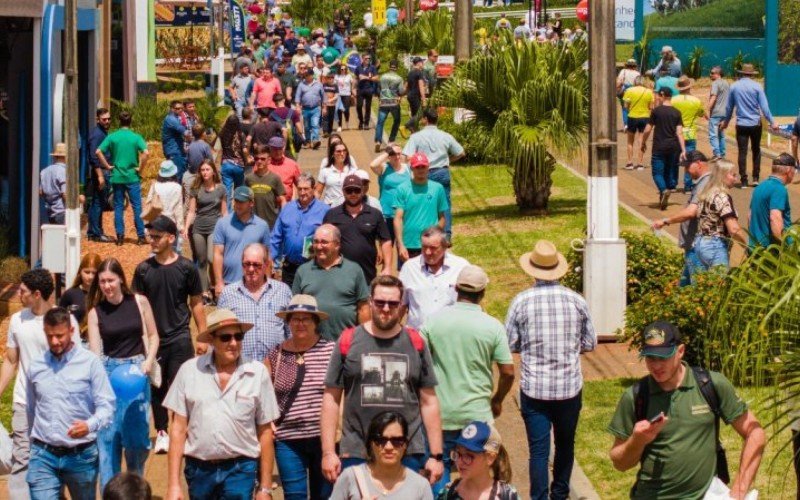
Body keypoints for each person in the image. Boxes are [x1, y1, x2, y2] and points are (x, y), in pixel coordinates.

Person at [608, 321, 765, 499]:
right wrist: (637, 440)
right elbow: (620, 464)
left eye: (664, 357)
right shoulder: (636, 396)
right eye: (651, 358)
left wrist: (738, 492)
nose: (656, 366)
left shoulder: (710, 385)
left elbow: (755, 434)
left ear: (680, 351)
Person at [321, 276, 444, 485]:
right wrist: (328, 452)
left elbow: (429, 401)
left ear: (401, 306)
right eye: (380, 302)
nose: (386, 309)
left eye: (393, 303)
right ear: (370, 302)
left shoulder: (416, 342)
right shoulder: (348, 340)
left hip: (407, 451)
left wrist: (436, 455)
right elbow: (331, 399)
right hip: (358, 450)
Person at [505, 240, 597, 500]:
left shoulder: (521, 301)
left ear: (532, 270)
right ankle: (560, 493)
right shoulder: (577, 301)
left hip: (535, 389)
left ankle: (539, 496)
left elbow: (510, 341)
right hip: (568, 388)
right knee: (566, 445)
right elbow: (590, 342)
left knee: (538, 451)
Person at [163, 308, 280, 500]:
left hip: (240, 469)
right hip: (199, 470)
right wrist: (174, 485)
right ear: (211, 339)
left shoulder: (257, 373)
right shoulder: (189, 371)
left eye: (238, 336)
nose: (233, 343)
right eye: (225, 338)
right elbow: (178, 429)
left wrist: (265, 488)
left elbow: (265, 432)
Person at [422, 265, 515, 493]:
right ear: (483, 292)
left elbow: (417, 358)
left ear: (456, 289)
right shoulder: (492, 326)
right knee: (479, 476)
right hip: (477, 415)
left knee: (437, 470)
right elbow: (508, 371)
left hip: (440, 413)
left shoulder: (433, 321)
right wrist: (498, 399)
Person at [0, 269, 80, 500]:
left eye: (23, 291)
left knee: (56, 457)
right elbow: (11, 360)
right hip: (23, 401)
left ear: (37, 294)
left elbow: (75, 362)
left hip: (56, 405)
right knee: (22, 458)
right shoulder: (17, 320)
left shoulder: (64, 320)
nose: (19, 294)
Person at [132, 216, 206, 455]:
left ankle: (181, 430)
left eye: (157, 236)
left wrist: (203, 335)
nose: (152, 240)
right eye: (150, 236)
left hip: (180, 337)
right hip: (153, 341)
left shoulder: (187, 268)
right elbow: (138, 307)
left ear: (171, 238)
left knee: (183, 386)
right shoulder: (143, 270)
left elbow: (196, 303)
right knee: (157, 387)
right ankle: (162, 432)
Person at [26, 307, 116, 500]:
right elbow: (31, 409)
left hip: (81, 456)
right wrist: (32, 446)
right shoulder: (36, 366)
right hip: (43, 455)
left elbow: (107, 406)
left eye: (60, 335)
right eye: (49, 336)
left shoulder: (90, 363)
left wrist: (89, 425)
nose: (54, 341)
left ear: (71, 331)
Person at [87, 258, 159, 489]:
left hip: (137, 372)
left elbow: (153, 335)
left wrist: (148, 361)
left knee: (137, 441)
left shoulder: (139, 302)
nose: (107, 286)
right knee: (108, 441)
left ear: (120, 279)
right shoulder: (96, 313)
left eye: (110, 280)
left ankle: (135, 489)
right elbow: (95, 355)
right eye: (102, 282)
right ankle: (111, 492)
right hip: (109, 372)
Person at [267, 295, 336, 500]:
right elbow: (263, 393)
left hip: (323, 438)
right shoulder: (276, 354)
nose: (300, 323)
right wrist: (268, 421)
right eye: (295, 319)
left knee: (323, 496)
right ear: (288, 322)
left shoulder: (331, 351)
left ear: (315, 322)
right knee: (294, 495)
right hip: (287, 439)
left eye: (306, 318)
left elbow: (342, 392)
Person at [330, 412, 434, 500]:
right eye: (381, 441)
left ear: (405, 444)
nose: (389, 447)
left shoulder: (420, 486)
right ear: (371, 443)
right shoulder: (350, 477)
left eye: (397, 441)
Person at [292, 224, 370, 340]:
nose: (318, 246)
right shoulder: (303, 271)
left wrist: (365, 339)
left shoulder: (354, 270)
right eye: (316, 242)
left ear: (337, 245)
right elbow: (295, 309)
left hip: (346, 343)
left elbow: (363, 308)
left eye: (324, 242)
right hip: (312, 346)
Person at [218, 243, 292, 360]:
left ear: (266, 264)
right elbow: (219, 334)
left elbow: (290, 332)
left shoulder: (283, 291)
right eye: (246, 264)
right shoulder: (228, 294)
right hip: (240, 367)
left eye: (256, 265)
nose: (251, 269)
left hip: (276, 367)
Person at [401, 109, 465, 239]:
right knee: (444, 204)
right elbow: (461, 152)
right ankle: (446, 235)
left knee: (424, 202)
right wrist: (448, 160)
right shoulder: (446, 135)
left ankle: (425, 231)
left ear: (425, 119)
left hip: (424, 173)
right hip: (442, 172)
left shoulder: (416, 137)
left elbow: (407, 156)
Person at [651, 151, 712, 286]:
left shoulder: (705, 183)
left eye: (687, 166)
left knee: (696, 288)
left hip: (696, 246)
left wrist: (665, 221)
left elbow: (691, 212)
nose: (686, 171)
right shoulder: (703, 182)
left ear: (698, 164)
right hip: (693, 245)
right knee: (684, 287)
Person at [323, 174, 392, 284]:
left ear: (362, 190)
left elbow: (386, 240)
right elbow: (322, 241)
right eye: (349, 190)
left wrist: (387, 267)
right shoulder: (332, 214)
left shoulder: (375, 214)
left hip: (367, 275)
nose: (353, 194)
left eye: (356, 190)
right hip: (338, 276)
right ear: (343, 191)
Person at [96, 110, 150, 246]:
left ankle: (120, 236)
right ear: (130, 121)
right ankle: (141, 236)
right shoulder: (136, 137)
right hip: (132, 176)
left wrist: (107, 166)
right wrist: (140, 168)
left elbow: (98, 151)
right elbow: (146, 153)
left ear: (119, 121)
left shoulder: (113, 137)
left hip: (117, 176)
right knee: (137, 206)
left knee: (118, 206)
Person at [721, 63, 778, 188]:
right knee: (756, 150)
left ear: (741, 73)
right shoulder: (757, 87)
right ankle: (756, 177)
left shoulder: (734, 87)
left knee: (742, 152)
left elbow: (729, 107)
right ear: (752, 74)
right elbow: (764, 107)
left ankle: (744, 179)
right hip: (755, 123)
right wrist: (772, 122)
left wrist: (726, 122)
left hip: (741, 123)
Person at [270, 173, 330, 287]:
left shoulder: (324, 210)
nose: (302, 192)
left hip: (314, 267)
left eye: (306, 189)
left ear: (313, 189)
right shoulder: (287, 208)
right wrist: (271, 261)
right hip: (289, 268)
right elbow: (276, 237)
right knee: (290, 302)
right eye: (300, 189)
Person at [213, 186, 273, 294]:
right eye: (236, 201)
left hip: (254, 284)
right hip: (228, 283)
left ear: (251, 203)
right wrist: (219, 282)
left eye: (242, 201)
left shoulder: (262, 226)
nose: (238, 204)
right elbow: (218, 254)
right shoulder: (222, 223)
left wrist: (267, 283)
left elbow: (267, 257)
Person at [439, 421, 520, 500]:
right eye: (458, 454)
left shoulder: (507, 496)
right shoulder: (449, 493)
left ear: (490, 458)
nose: (459, 462)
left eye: (468, 456)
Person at [394, 153, 449, 263]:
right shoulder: (402, 189)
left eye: (423, 166)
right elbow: (398, 218)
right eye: (417, 167)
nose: (420, 170)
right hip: (409, 243)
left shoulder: (438, 188)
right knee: (408, 278)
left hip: (431, 245)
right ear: (411, 168)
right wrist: (400, 244)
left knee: (433, 277)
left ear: (428, 167)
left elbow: (442, 217)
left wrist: (437, 238)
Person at [184, 159, 227, 297]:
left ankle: (215, 286)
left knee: (211, 258)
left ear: (213, 171)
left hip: (215, 226)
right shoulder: (196, 188)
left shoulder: (221, 189)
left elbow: (224, 212)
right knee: (201, 260)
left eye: (207, 169)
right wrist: (186, 227)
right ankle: (204, 290)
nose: (204, 172)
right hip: (198, 227)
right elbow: (191, 211)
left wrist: (227, 228)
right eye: (202, 170)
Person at [692, 159, 746, 271]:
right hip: (715, 245)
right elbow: (733, 228)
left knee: (702, 285)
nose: (736, 179)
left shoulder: (706, 193)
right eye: (733, 175)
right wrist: (747, 246)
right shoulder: (722, 197)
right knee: (718, 284)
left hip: (700, 242)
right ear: (722, 176)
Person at [641, 88, 686, 211]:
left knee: (657, 173)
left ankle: (664, 190)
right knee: (667, 172)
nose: (657, 98)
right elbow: (679, 133)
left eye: (657, 96)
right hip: (673, 147)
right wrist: (683, 149)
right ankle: (663, 198)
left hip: (659, 146)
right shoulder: (677, 112)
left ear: (662, 95)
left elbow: (648, 129)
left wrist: (643, 142)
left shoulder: (656, 111)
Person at [748, 153, 795, 249]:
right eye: (795, 170)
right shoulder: (779, 189)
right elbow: (775, 218)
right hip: (770, 250)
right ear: (789, 170)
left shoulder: (760, 187)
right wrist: (785, 246)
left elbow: (749, 216)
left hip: (755, 247)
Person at [370, 144, 411, 243]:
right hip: (387, 213)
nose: (397, 157)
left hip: (404, 214)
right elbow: (373, 165)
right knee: (387, 244)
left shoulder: (407, 169)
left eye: (399, 154)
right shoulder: (384, 168)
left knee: (404, 244)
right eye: (393, 154)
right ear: (388, 156)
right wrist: (388, 151)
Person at [87, 108, 114, 243]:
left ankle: (93, 231)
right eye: (104, 119)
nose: (107, 121)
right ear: (98, 119)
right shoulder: (97, 134)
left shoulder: (102, 132)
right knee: (99, 202)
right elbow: (93, 157)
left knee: (96, 202)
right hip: (101, 171)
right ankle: (97, 233)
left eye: (109, 119)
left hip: (103, 171)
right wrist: (100, 176)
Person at [246, 144, 287, 229]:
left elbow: (283, 199)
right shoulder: (248, 178)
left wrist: (282, 217)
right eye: (257, 159)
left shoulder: (275, 178)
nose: (259, 161)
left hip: (271, 223)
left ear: (269, 160)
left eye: (263, 159)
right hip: (252, 223)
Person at [146, 160, 184, 245]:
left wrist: (147, 224)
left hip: (156, 221)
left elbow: (148, 204)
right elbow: (178, 209)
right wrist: (181, 227)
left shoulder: (155, 185)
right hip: (171, 221)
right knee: (172, 249)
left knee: (156, 246)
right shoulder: (177, 187)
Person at [59, 252, 102, 328]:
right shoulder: (70, 294)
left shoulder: (103, 294)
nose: (90, 277)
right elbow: (59, 319)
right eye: (87, 272)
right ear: (80, 272)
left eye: (94, 273)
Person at [218, 113, 250, 210]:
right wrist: (247, 159)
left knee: (227, 190)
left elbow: (218, 149)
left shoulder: (222, 133)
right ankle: (239, 209)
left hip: (226, 164)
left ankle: (227, 212)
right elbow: (244, 150)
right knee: (238, 189)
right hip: (238, 166)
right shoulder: (241, 134)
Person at [622, 76, 653, 171]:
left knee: (630, 141)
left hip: (632, 117)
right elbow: (651, 107)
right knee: (641, 141)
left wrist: (630, 109)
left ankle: (630, 162)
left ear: (635, 82)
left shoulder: (629, 90)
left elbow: (625, 106)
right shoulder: (649, 92)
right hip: (644, 117)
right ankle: (640, 163)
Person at [374, 60, 405, 152]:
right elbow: (400, 91)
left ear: (389, 66)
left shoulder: (383, 77)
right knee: (397, 120)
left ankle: (378, 141)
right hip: (394, 103)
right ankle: (391, 141)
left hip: (383, 102)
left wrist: (380, 97)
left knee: (380, 122)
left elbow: (378, 89)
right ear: (397, 67)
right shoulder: (399, 78)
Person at [318, 141, 359, 206]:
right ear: (332, 154)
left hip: (348, 206)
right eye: (338, 151)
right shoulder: (325, 171)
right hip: (330, 206)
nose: (342, 153)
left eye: (344, 151)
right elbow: (318, 192)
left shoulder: (353, 171)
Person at [184, 124, 215, 204]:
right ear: (203, 134)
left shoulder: (190, 146)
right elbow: (210, 161)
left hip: (192, 172)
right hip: (201, 174)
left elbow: (187, 160)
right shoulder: (205, 146)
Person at [295, 69, 325, 149]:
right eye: (305, 76)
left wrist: (324, 107)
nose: (306, 77)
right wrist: (297, 106)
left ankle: (315, 141)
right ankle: (308, 141)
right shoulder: (301, 84)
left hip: (316, 108)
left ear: (312, 75)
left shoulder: (318, 84)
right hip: (305, 109)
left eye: (308, 75)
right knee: (307, 126)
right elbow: (298, 96)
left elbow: (323, 96)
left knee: (315, 124)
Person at [266, 136, 301, 201]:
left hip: (287, 204)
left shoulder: (292, 164)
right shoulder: (263, 164)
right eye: (275, 149)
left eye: (280, 149)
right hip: (267, 204)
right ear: (269, 149)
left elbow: (300, 184)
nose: (278, 152)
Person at [39, 143, 68, 224]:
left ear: (55, 157)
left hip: (49, 212)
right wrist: (79, 199)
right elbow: (65, 195)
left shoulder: (44, 171)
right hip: (62, 212)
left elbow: (40, 192)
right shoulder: (63, 171)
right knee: (62, 236)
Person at [161, 100, 189, 180]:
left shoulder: (175, 118)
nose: (180, 110)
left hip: (176, 150)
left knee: (181, 173)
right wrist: (196, 141)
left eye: (181, 108)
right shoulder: (171, 119)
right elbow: (185, 133)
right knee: (178, 175)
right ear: (172, 109)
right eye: (177, 108)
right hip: (174, 151)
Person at [708, 66, 730, 160]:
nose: (710, 74)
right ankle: (722, 154)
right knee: (721, 134)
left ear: (718, 74)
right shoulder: (727, 83)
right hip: (725, 113)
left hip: (716, 112)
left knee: (713, 134)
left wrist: (707, 109)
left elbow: (714, 97)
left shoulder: (715, 83)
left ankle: (717, 154)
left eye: (712, 73)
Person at [402, 57, 426, 134]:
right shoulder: (419, 72)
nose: (423, 64)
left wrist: (401, 95)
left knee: (414, 115)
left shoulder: (410, 73)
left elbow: (406, 86)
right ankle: (406, 126)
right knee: (420, 114)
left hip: (410, 96)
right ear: (419, 63)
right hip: (415, 96)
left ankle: (414, 132)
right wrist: (424, 99)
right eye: (422, 62)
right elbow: (421, 86)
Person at [355, 54, 378, 130]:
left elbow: (376, 78)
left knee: (368, 107)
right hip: (360, 90)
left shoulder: (372, 68)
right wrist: (353, 89)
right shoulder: (358, 68)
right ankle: (361, 121)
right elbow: (355, 79)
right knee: (359, 106)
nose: (368, 59)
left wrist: (366, 77)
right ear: (362, 59)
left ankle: (366, 123)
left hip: (369, 89)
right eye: (366, 58)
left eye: (369, 58)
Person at [616, 59, 641, 132]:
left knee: (625, 108)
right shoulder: (637, 73)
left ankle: (626, 125)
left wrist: (617, 89)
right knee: (633, 107)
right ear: (635, 65)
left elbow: (618, 82)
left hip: (625, 91)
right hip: (634, 91)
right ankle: (633, 125)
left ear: (627, 65)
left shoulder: (623, 71)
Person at [334, 64, 355, 132]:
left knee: (346, 110)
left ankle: (347, 121)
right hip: (339, 95)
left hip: (347, 94)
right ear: (339, 69)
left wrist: (352, 90)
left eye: (344, 69)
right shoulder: (337, 76)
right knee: (339, 110)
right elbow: (334, 84)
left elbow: (353, 82)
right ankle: (339, 126)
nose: (343, 70)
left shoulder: (349, 76)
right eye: (342, 69)